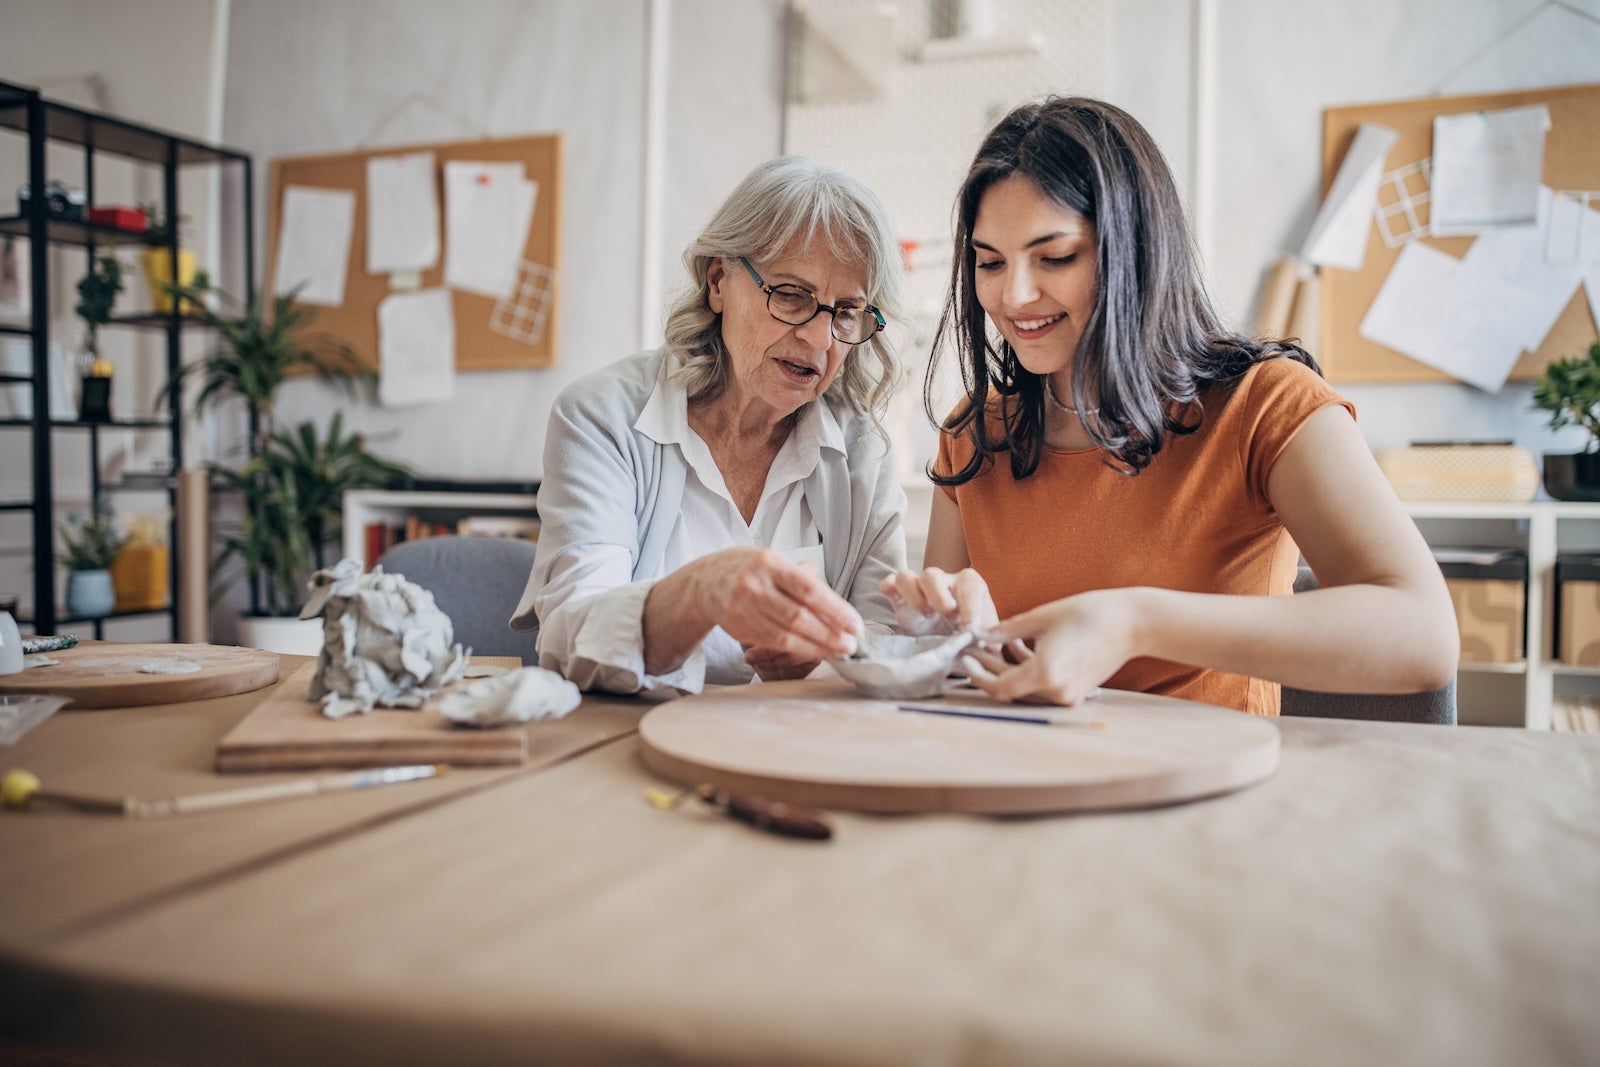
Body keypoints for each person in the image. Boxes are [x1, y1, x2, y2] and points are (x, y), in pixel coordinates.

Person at [881, 97, 1458, 714]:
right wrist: (937, 636)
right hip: (1032, 782)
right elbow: (955, 662)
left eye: (1055, 257)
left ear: (1135, 250)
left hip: (1210, 789)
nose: (1014, 295)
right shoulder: (975, 432)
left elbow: (1423, 637)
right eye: (989, 262)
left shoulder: (1265, 404)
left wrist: (1134, 619)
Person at [512, 156, 908, 694]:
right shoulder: (603, 416)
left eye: (845, 312)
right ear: (719, 282)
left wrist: (820, 662)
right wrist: (699, 594)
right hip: (634, 747)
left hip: (799, 746)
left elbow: (885, 634)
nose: (820, 340)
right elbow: (571, 638)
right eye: (791, 295)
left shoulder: (864, 447)